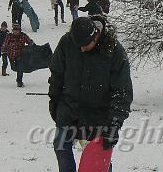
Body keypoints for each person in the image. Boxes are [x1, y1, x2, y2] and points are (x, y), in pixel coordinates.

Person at [49, 15, 133, 172]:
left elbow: (122, 91)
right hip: (69, 109)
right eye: (78, 45)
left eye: (86, 45)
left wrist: (113, 125)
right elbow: (57, 75)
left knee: (98, 157)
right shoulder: (67, 42)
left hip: (98, 115)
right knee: (60, 147)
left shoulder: (113, 50)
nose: (82, 49)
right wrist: (54, 103)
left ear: (96, 35)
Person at [2, 23, 33, 87]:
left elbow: (30, 42)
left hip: (20, 55)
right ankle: (18, 77)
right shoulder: (9, 36)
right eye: (14, 30)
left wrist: (30, 46)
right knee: (14, 68)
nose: (15, 31)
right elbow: (5, 44)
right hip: (11, 55)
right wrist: (3, 50)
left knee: (20, 68)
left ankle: (19, 81)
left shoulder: (23, 36)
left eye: (17, 30)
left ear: (19, 30)